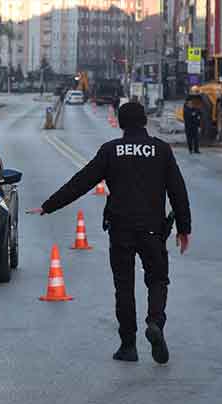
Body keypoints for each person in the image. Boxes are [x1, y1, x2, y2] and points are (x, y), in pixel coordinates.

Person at [27, 102, 191, 365]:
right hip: (152, 229)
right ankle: (155, 322)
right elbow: (178, 191)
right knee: (158, 280)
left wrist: (49, 206)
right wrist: (184, 228)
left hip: (121, 229)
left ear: (122, 124)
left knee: (124, 286)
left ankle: (128, 346)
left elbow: (81, 181)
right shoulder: (161, 150)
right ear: (145, 122)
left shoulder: (111, 150)